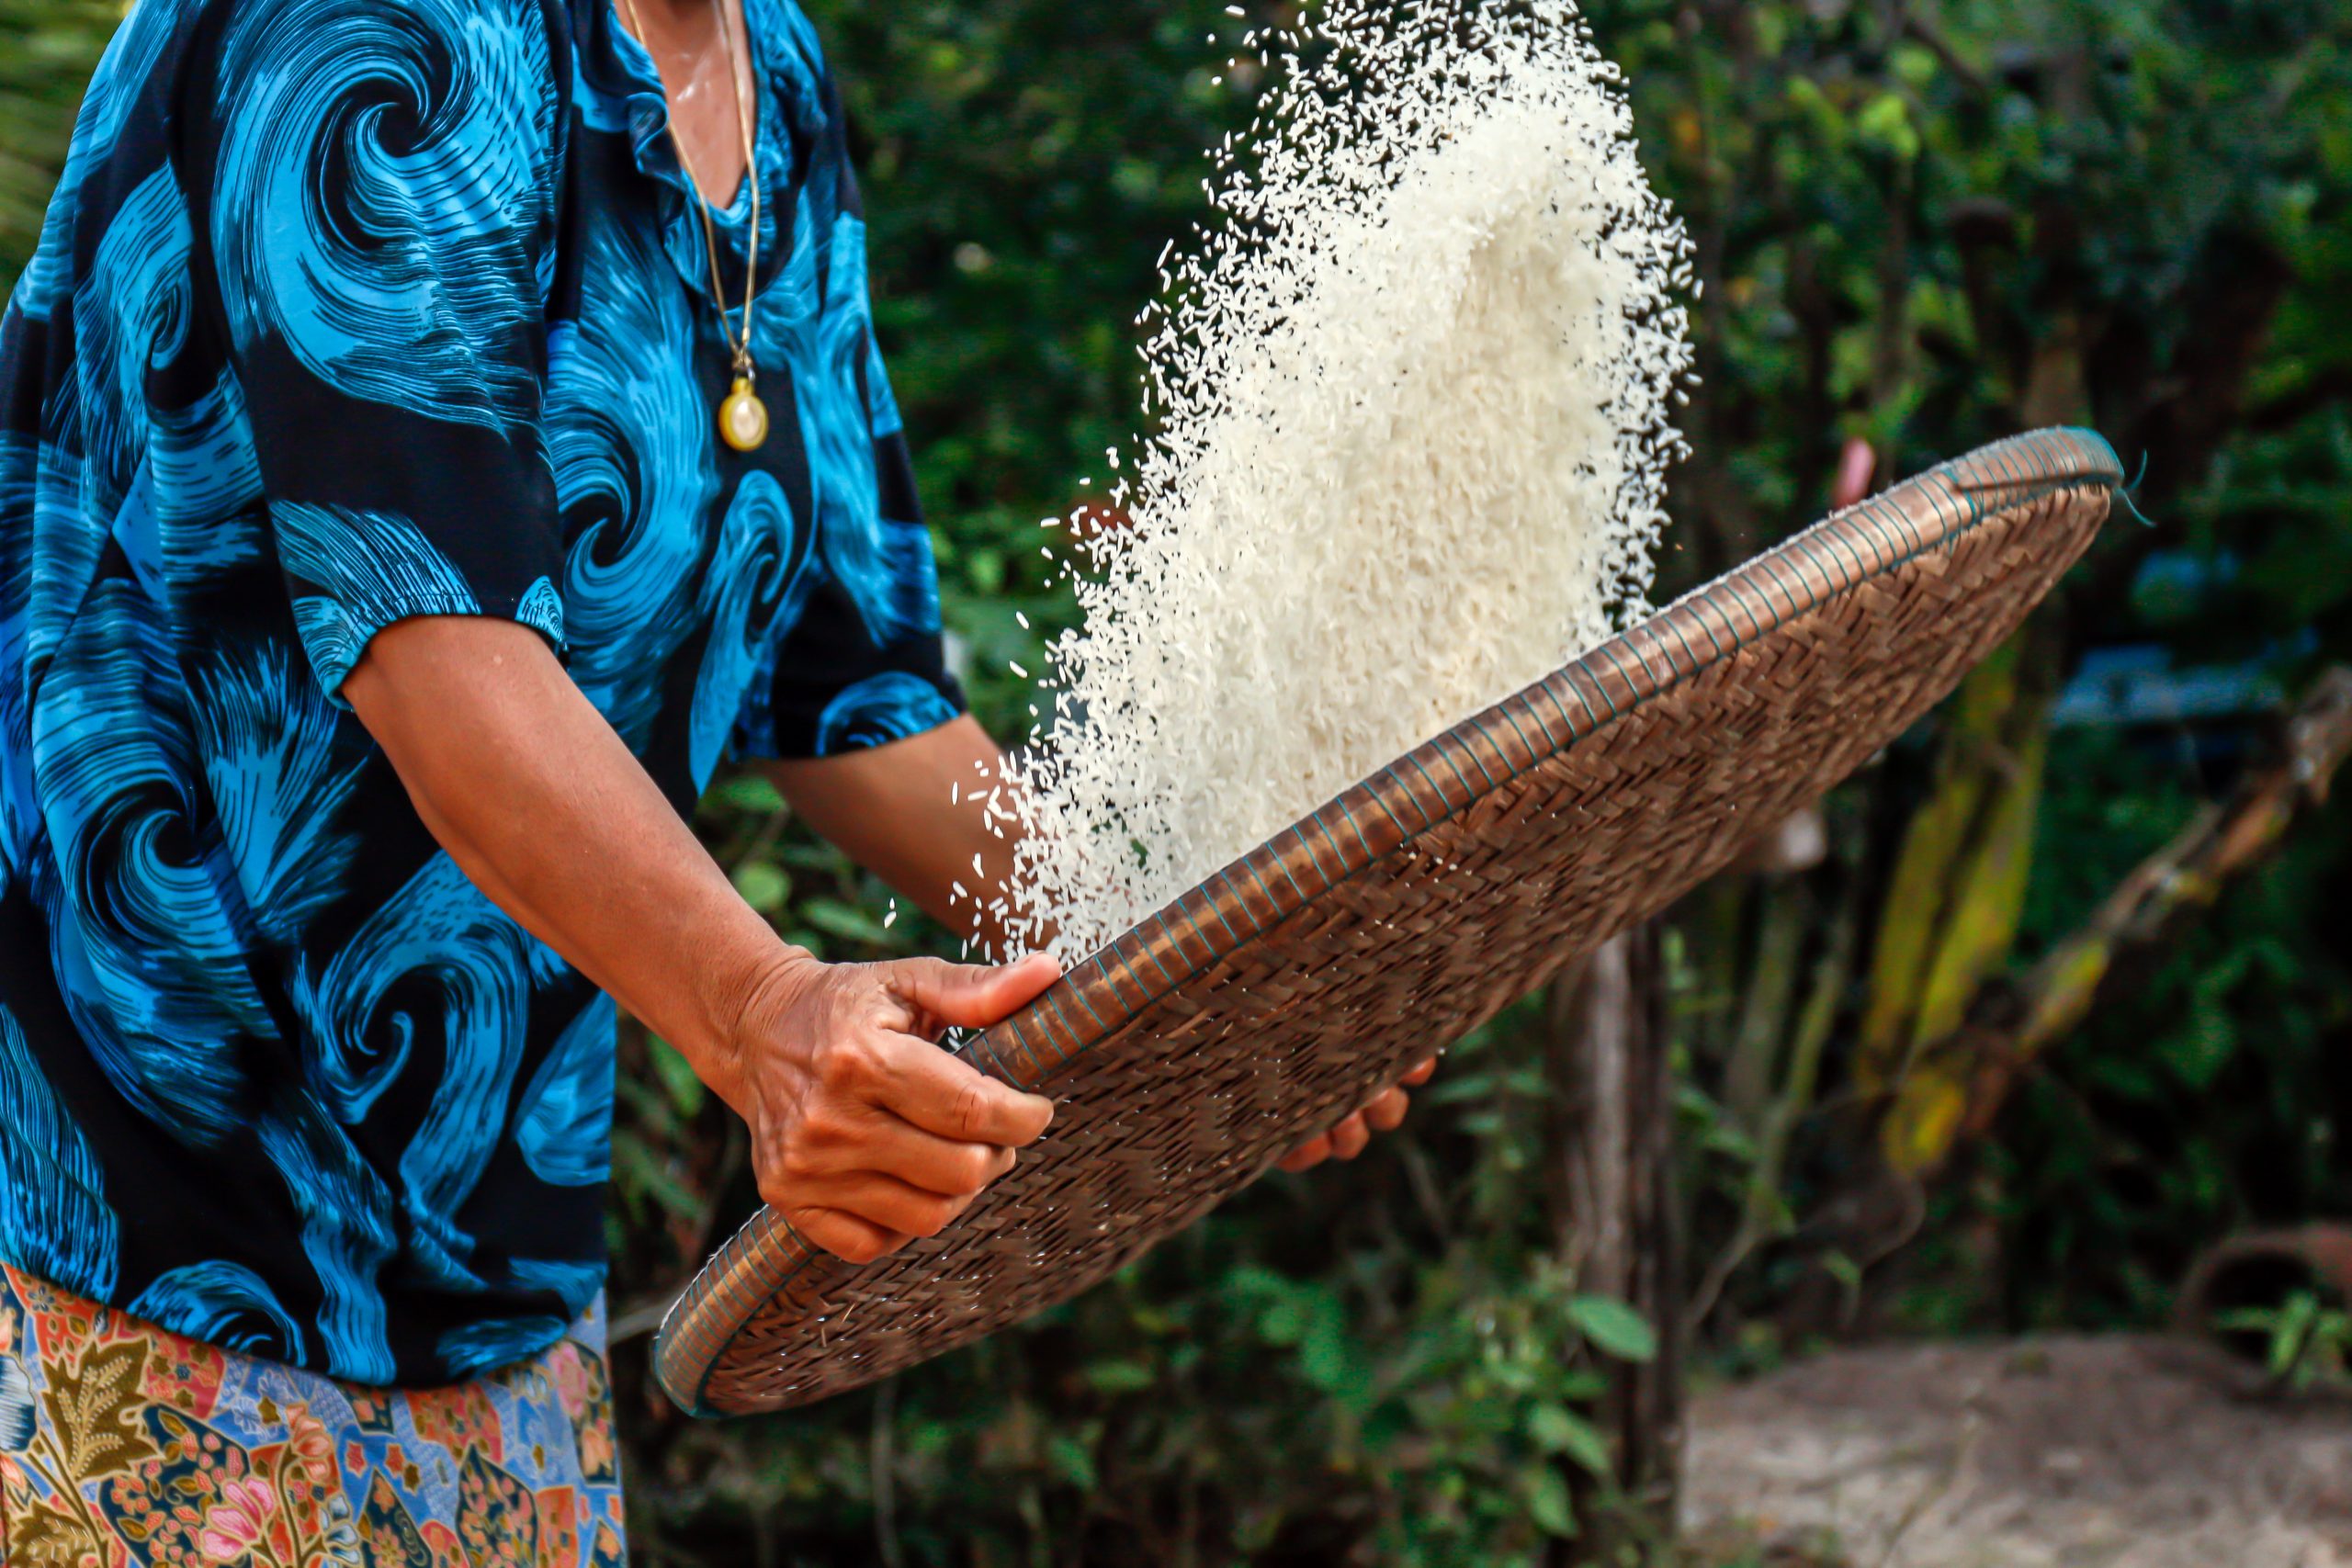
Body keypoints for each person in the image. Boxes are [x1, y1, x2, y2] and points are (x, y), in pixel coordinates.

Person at [0, 0, 1430, 1558]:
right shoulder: (379, 30)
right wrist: (767, 1017)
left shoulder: (770, 71)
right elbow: (430, 636)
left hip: (487, 1266)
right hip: (126, 1210)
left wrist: (1180, 972)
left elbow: (841, 678)